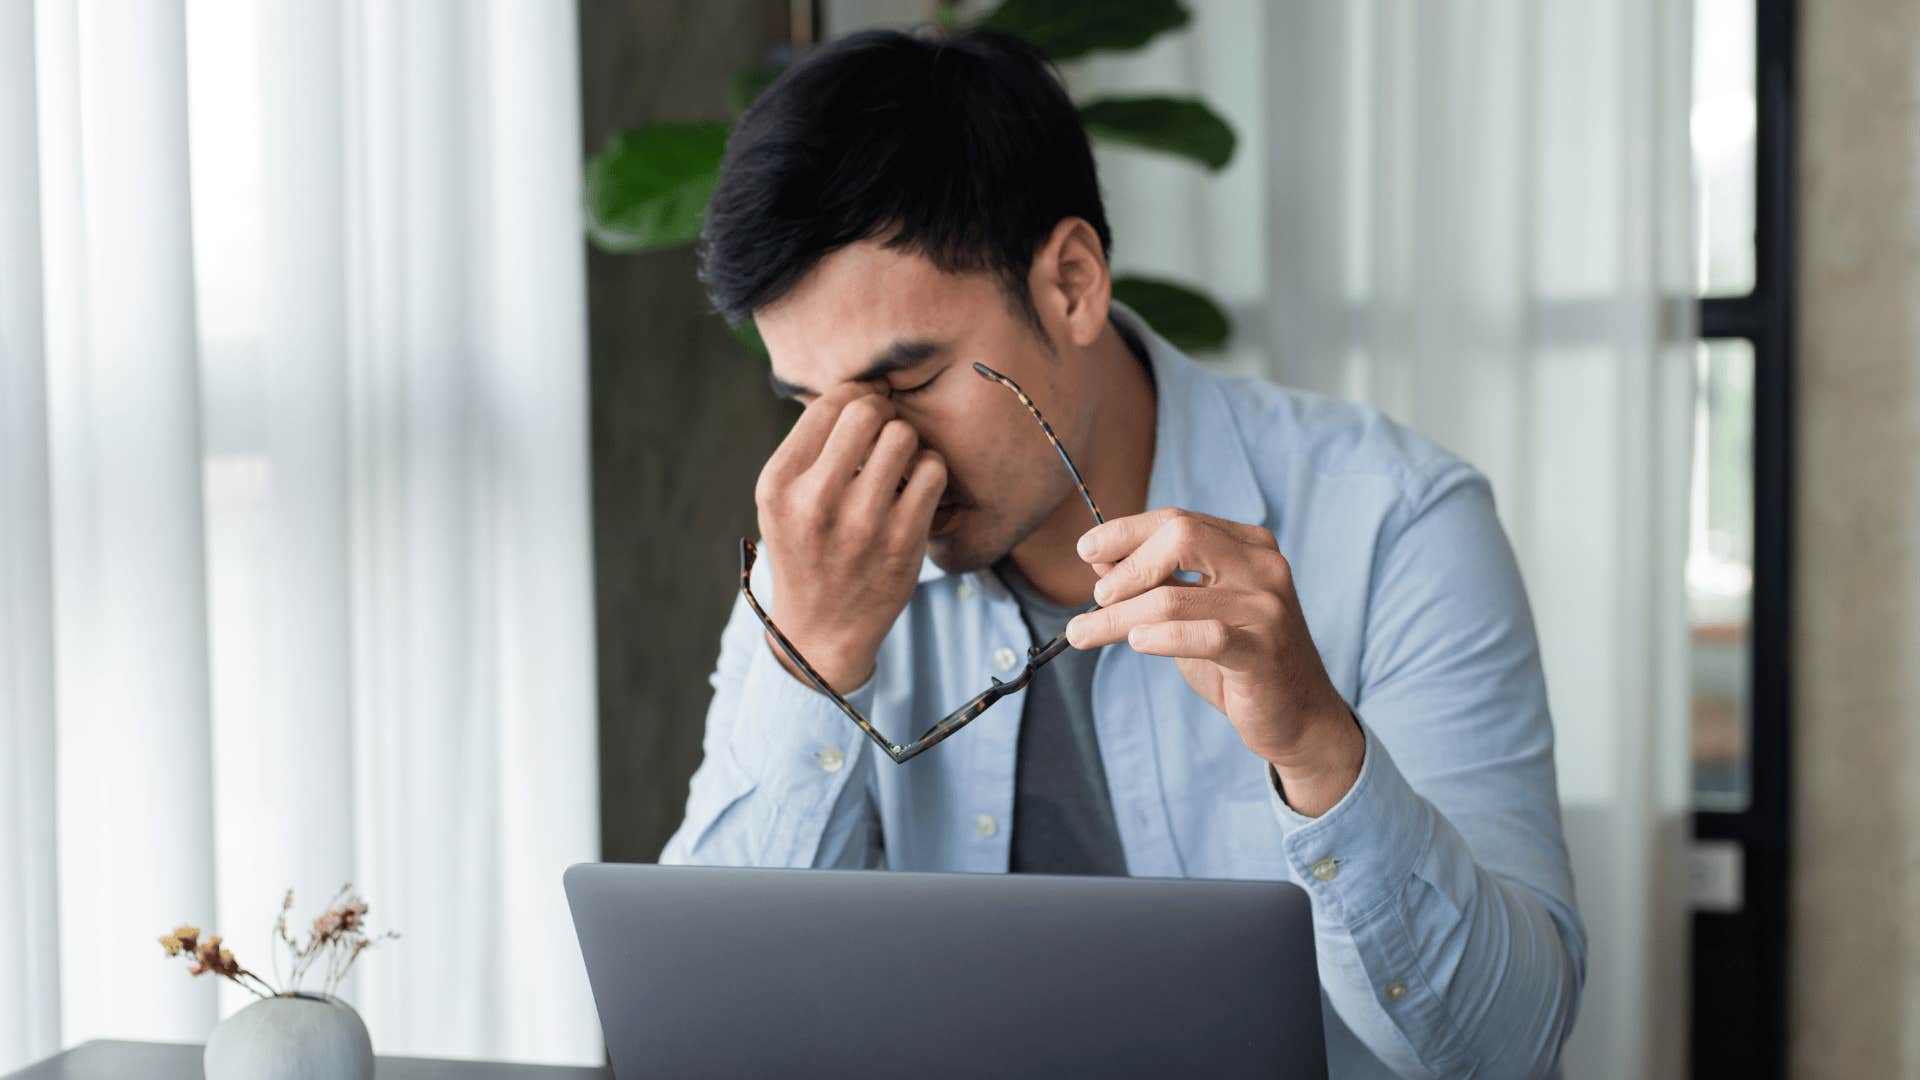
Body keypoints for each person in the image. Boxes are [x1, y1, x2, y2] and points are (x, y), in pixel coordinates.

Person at [660, 26, 1585, 1078]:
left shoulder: (1399, 527)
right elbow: (710, 1037)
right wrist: (812, 662)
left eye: (908, 382)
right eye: (812, 404)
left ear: (1071, 283)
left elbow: (1510, 1052)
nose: (872, 454)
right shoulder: (821, 562)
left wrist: (1321, 751)